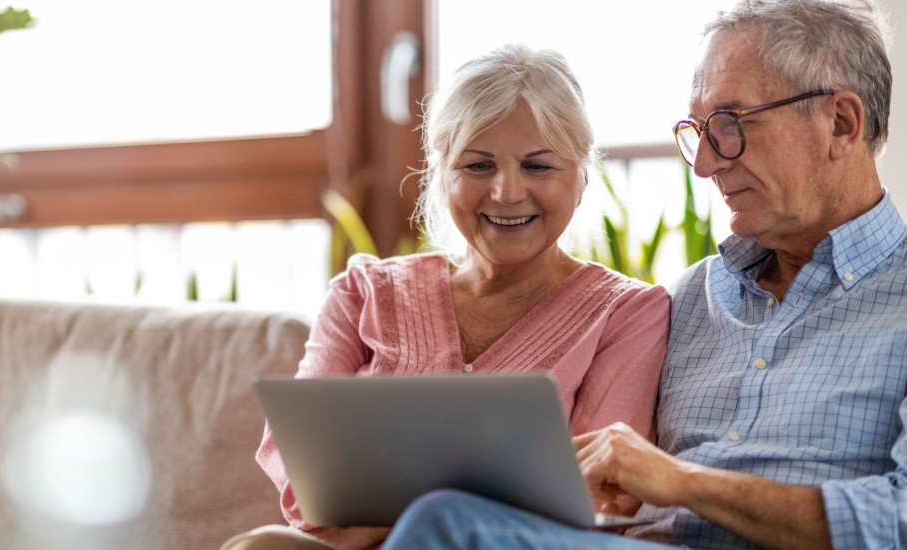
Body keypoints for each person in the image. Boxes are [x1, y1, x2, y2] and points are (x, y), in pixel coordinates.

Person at [380, 0, 903, 549]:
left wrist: (682, 482)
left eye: (729, 124)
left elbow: (899, 519)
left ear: (841, 123)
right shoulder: (689, 300)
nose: (703, 163)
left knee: (448, 525)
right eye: (697, 130)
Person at [245, 44, 671, 550]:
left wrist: (391, 520)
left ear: (581, 177)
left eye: (539, 167)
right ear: (441, 173)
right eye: (477, 166)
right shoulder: (363, 293)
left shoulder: (627, 313)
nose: (507, 192)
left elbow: (602, 495)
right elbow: (302, 468)